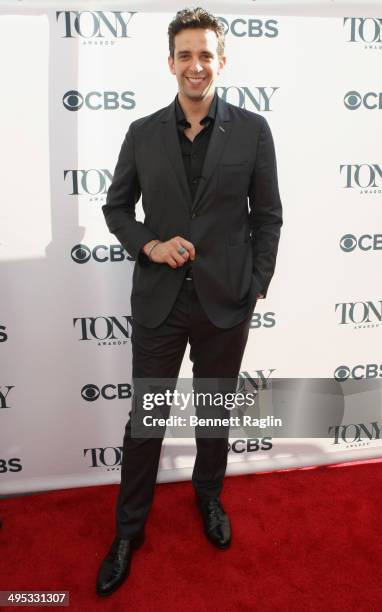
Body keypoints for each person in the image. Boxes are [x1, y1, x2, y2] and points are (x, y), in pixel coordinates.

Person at [96, 6, 282, 597]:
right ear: (170, 63)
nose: (195, 65)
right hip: (160, 302)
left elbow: (268, 216)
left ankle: (208, 498)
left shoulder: (254, 131)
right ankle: (129, 532)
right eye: (185, 55)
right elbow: (116, 209)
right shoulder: (142, 133)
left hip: (226, 302)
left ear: (220, 61)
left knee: (212, 413)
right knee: (146, 420)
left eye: (206, 54)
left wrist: (255, 285)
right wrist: (149, 244)